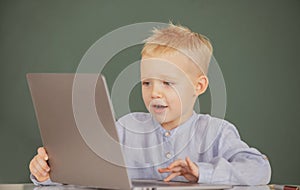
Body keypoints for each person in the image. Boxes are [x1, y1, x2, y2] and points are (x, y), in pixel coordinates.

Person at [29, 23, 271, 186]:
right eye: (146, 83)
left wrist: (202, 172)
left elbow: (259, 169)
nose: (154, 92)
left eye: (167, 83)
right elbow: (85, 174)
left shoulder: (216, 132)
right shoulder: (125, 128)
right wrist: (47, 172)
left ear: (198, 86)